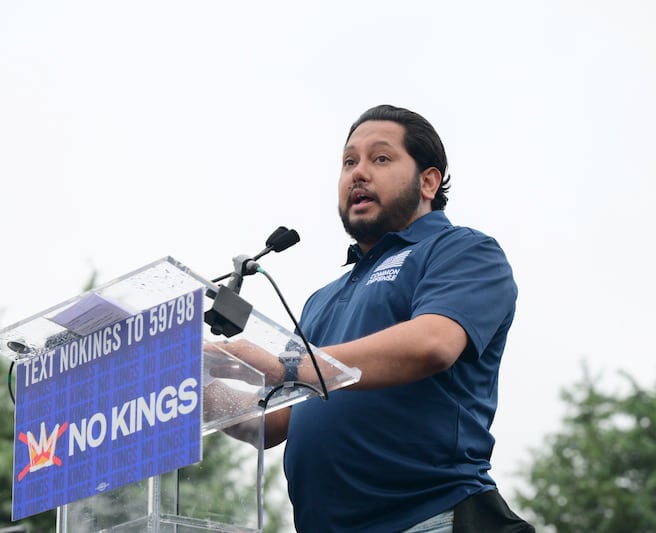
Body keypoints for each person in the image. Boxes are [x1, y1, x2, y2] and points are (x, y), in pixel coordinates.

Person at [216, 105, 533, 532]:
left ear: (428, 181)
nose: (358, 173)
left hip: (429, 518)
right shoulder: (321, 300)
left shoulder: (461, 250)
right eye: (349, 162)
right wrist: (196, 392)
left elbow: (433, 343)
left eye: (380, 158)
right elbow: (277, 421)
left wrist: (285, 366)